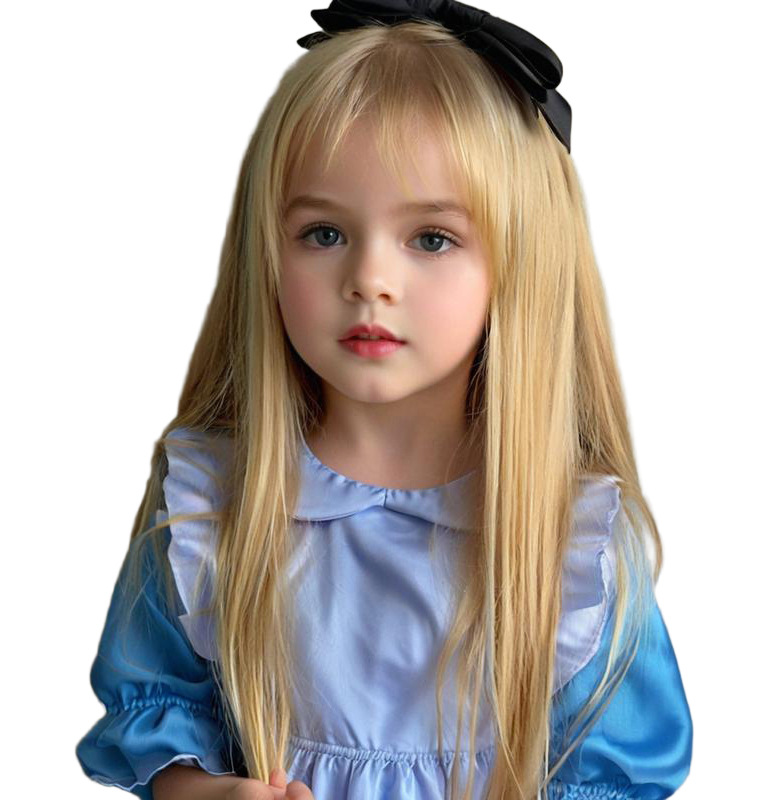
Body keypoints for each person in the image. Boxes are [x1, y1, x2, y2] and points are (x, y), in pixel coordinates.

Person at [75, 3, 693, 799]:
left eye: (431, 239)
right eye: (324, 234)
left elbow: (616, 772)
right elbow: (159, 709)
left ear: (522, 264)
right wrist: (201, 789)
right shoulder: (212, 506)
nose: (369, 279)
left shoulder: (570, 541)